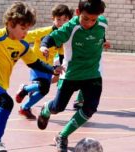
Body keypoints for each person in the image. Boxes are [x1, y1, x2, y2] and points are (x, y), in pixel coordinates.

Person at [0, 2, 61, 152]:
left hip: (0, 84)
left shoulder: (23, 45)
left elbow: (35, 62)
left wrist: (52, 69)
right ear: (10, 24)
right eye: (23, 28)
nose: (26, 33)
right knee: (6, 102)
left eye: (28, 29)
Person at [37, 0, 108, 151]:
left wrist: (104, 42)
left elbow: (100, 35)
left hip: (92, 74)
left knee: (90, 108)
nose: (89, 23)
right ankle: (46, 109)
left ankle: (62, 135)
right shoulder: (70, 27)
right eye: (85, 18)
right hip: (70, 74)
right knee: (58, 107)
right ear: (77, 13)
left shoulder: (102, 23)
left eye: (93, 19)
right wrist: (44, 46)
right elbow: (50, 37)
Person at [14, 4, 74, 120]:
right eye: (58, 19)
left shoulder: (63, 36)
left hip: (49, 66)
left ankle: (25, 108)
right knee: (43, 85)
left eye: (65, 20)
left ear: (69, 20)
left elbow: (61, 52)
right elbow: (25, 36)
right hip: (36, 62)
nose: (61, 22)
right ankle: (25, 89)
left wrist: (62, 66)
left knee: (45, 90)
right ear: (53, 19)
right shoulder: (44, 31)